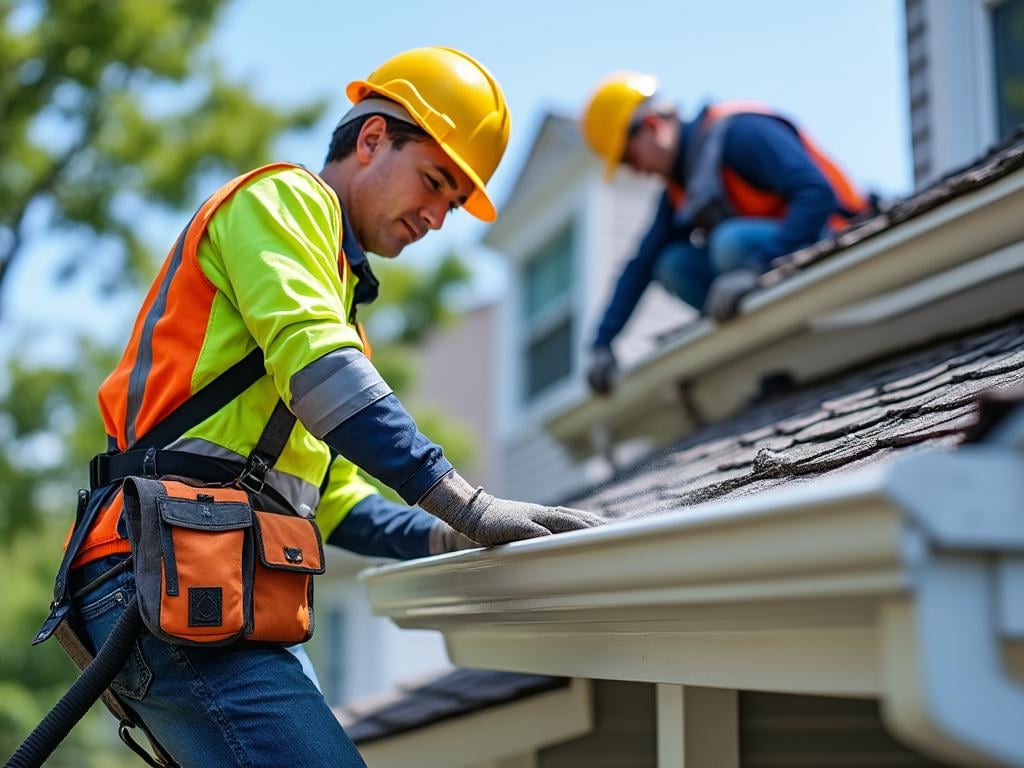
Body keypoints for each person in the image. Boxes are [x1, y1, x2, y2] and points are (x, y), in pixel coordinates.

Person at [38, 46, 602, 768]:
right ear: (372, 138)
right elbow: (321, 368)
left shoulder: (335, 306)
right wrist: (467, 502)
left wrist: (452, 534)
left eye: (454, 204)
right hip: (170, 573)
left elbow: (332, 504)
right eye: (435, 181)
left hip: (205, 579)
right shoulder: (283, 200)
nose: (437, 217)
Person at [580, 72, 867, 395]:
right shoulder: (681, 186)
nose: (636, 171)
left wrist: (754, 267)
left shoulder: (739, 133)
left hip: (833, 239)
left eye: (629, 158)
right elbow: (641, 264)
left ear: (651, 125)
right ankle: (758, 343)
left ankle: (774, 327)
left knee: (729, 242)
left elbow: (817, 194)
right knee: (671, 263)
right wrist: (601, 344)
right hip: (776, 264)